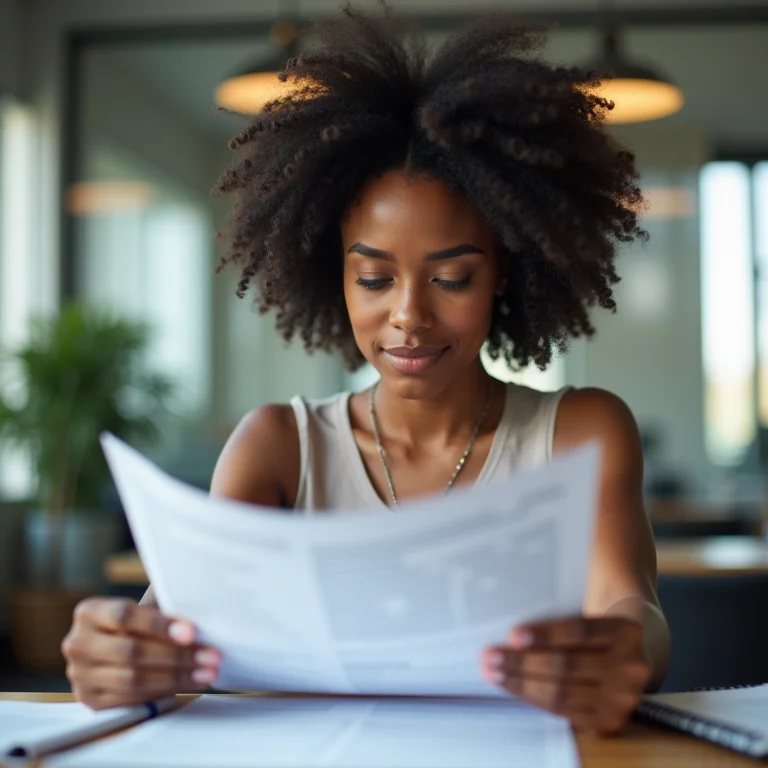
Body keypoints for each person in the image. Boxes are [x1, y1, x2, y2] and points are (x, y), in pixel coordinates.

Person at [61, 4, 670, 734]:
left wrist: (626, 650)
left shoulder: (580, 430)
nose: (409, 315)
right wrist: (121, 650)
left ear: (505, 274)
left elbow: (631, 604)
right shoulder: (279, 447)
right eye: (375, 280)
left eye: (452, 279)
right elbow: (176, 620)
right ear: (335, 277)